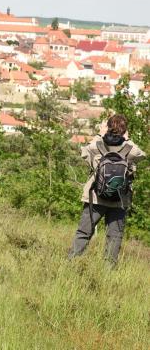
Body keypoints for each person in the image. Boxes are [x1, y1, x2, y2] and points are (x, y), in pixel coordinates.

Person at [68, 114, 145, 266]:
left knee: (84, 232)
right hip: (119, 200)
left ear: (108, 127)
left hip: (95, 197)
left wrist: (99, 134)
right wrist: (128, 139)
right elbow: (142, 155)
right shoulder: (130, 149)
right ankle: (109, 269)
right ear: (125, 130)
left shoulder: (97, 145)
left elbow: (84, 152)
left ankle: (72, 263)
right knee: (114, 237)